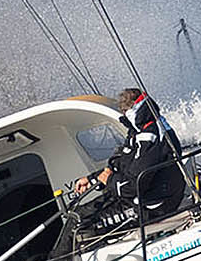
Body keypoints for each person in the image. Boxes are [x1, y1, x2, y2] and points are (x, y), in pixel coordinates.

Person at [73, 88, 186, 234]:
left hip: (152, 206)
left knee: (81, 229)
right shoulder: (139, 131)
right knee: (76, 216)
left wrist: (110, 180)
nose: (124, 114)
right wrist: (93, 179)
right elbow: (123, 164)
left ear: (134, 111)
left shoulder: (150, 136)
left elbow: (135, 185)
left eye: (126, 110)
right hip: (137, 197)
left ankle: (61, 257)